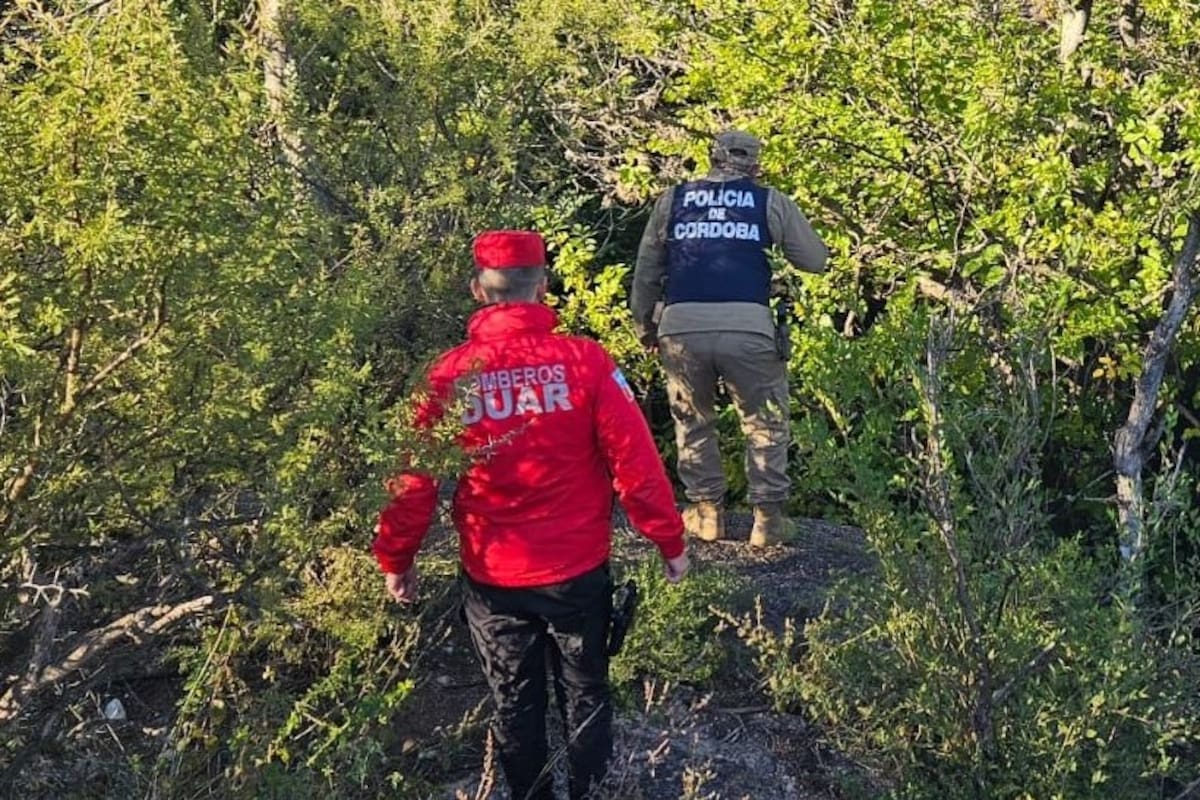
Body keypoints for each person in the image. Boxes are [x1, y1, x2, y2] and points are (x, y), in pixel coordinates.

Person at [373, 230, 689, 800]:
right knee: (586, 688)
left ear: (478, 289)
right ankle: (593, 791)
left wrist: (397, 557)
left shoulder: (447, 376)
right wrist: (669, 541)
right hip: (576, 570)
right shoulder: (585, 362)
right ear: (543, 287)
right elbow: (636, 464)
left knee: (514, 700)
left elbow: (413, 481)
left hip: (493, 577)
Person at [631, 130, 828, 547]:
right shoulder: (769, 201)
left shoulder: (674, 200)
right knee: (764, 420)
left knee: (693, 420)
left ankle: (706, 515)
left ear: (712, 159)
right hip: (750, 326)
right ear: (756, 165)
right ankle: (767, 520)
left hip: (681, 328)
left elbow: (647, 271)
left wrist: (645, 330)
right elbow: (815, 259)